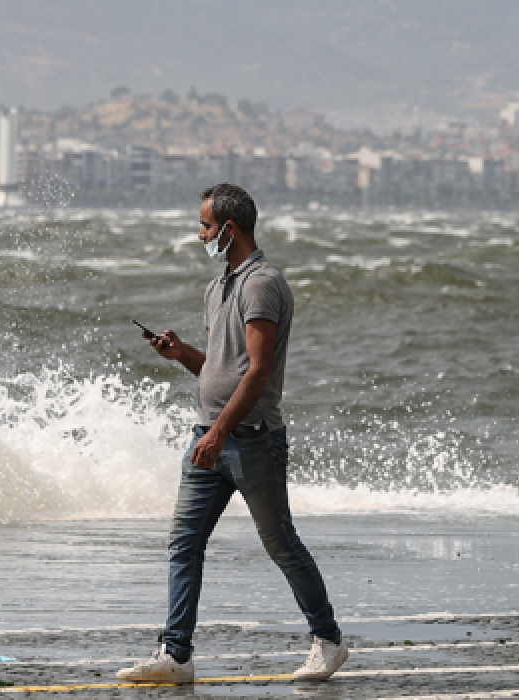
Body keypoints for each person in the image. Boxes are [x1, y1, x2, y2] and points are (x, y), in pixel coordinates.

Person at [117, 184, 348, 684]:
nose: (198, 234)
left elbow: (259, 371)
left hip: (250, 439)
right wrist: (183, 356)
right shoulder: (217, 286)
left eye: (204, 226)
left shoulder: (262, 284)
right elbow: (221, 367)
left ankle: (328, 640)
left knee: (281, 543)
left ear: (229, 229)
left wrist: (220, 432)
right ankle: (176, 655)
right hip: (211, 437)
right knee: (184, 542)